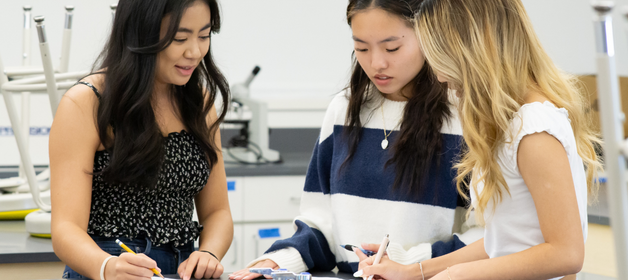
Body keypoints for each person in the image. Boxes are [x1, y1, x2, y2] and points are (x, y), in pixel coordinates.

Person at [229, 0, 483, 279]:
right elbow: (322, 223)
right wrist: (279, 262)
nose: (377, 63)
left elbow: (489, 236)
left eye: (392, 48)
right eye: (361, 48)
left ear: (428, 35)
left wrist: (408, 263)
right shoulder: (343, 110)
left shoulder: (465, 115)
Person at [355, 0, 603, 279]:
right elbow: (503, 244)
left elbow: (566, 254)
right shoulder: (510, 123)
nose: (439, 75)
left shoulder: (534, 129)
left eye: (442, 57)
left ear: (473, 49)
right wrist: (414, 272)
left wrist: (458, 275)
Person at [50, 1, 233, 279]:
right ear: (140, 34)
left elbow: (218, 211)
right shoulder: (88, 103)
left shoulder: (199, 101)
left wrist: (208, 254)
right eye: (179, 38)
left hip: (179, 270)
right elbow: (65, 228)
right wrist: (106, 267)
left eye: (204, 35)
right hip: (107, 267)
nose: (195, 51)